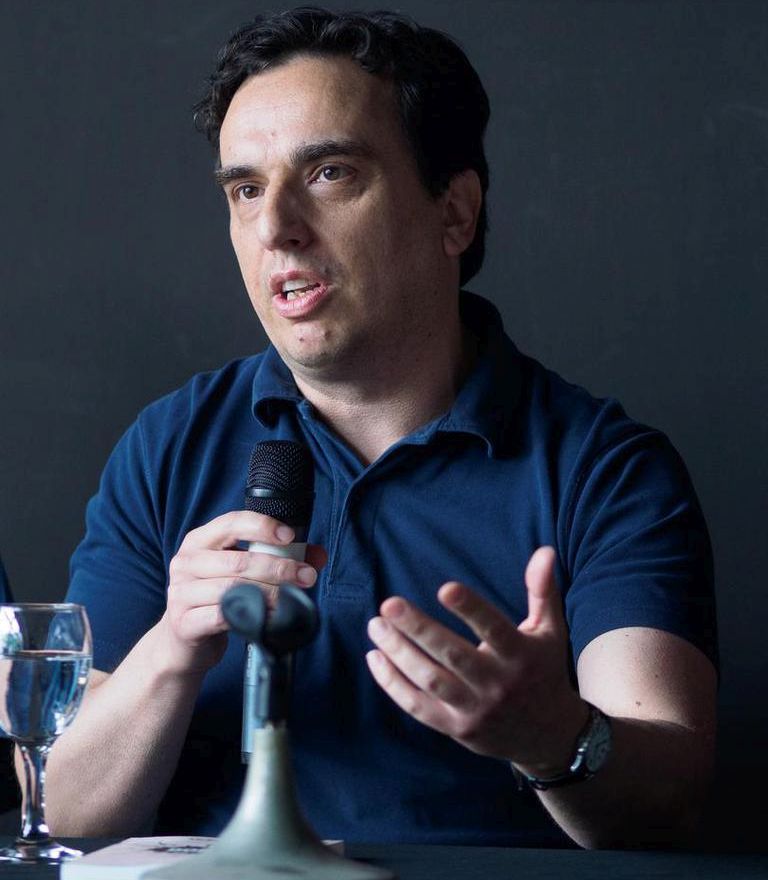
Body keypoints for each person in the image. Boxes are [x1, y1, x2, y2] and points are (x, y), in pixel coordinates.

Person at [37, 6, 717, 850]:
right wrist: (173, 648)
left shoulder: (605, 470)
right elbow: (66, 808)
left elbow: (668, 807)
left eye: (329, 174)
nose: (275, 226)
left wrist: (552, 737)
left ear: (454, 213)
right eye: (245, 189)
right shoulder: (167, 446)